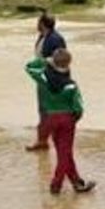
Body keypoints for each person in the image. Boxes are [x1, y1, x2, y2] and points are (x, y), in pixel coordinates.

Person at [25, 49, 95, 194]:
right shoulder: (71, 85)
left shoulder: (43, 78)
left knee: (63, 152)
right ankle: (56, 185)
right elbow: (78, 107)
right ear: (69, 64)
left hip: (50, 118)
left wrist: (44, 60)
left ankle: (76, 181)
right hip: (67, 119)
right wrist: (74, 119)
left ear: (53, 62)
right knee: (65, 153)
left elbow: (29, 67)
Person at [27, 13, 67, 151]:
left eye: (38, 22)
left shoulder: (56, 39)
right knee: (43, 110)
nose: (36, 24)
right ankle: (43, 140)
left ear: (43, 24)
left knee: (50, 110)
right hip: (43, 77)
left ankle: (47, 140)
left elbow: (62, 60)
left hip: (52, 79)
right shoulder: (43, 36)